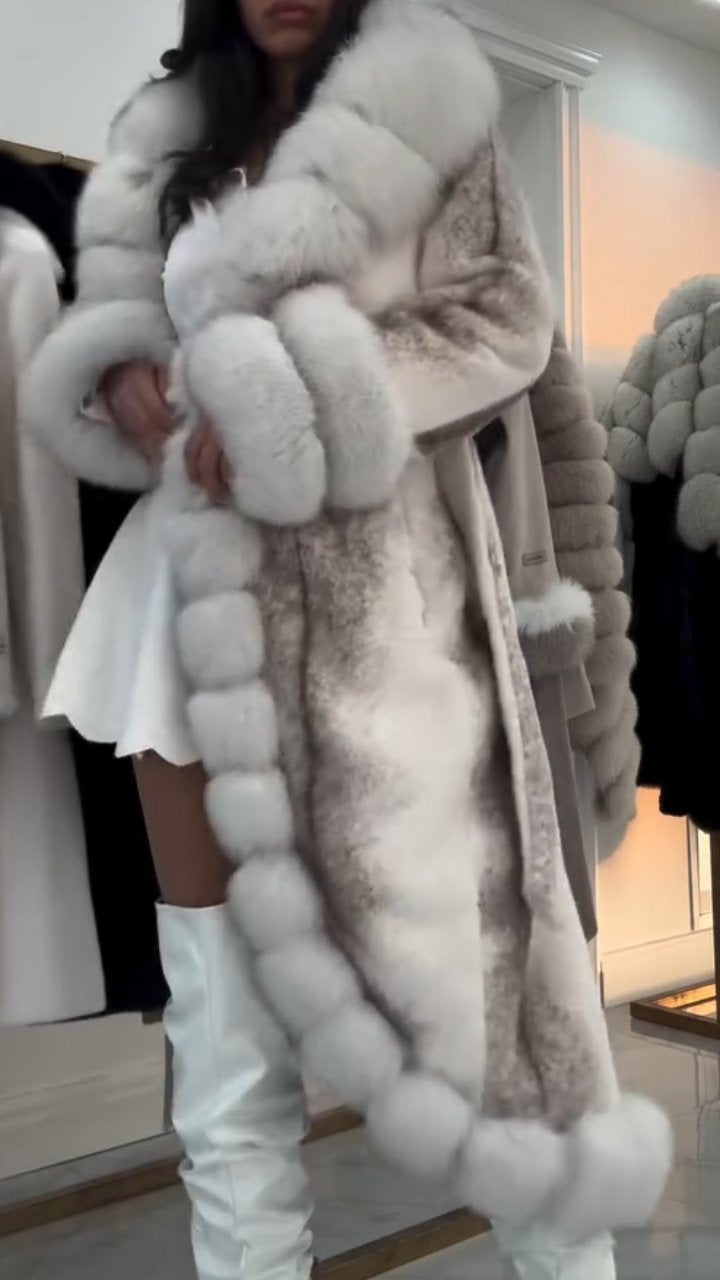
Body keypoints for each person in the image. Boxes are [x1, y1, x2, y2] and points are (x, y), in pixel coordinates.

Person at [22, 2, 672, 1278]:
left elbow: (502, 322)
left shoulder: (435, 118)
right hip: (185, 601)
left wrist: (289, 391)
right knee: (224, 1040)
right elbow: (120, 325)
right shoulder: (169, 140)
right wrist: (121, 377)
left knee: (490, 1010)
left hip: (390, 610)